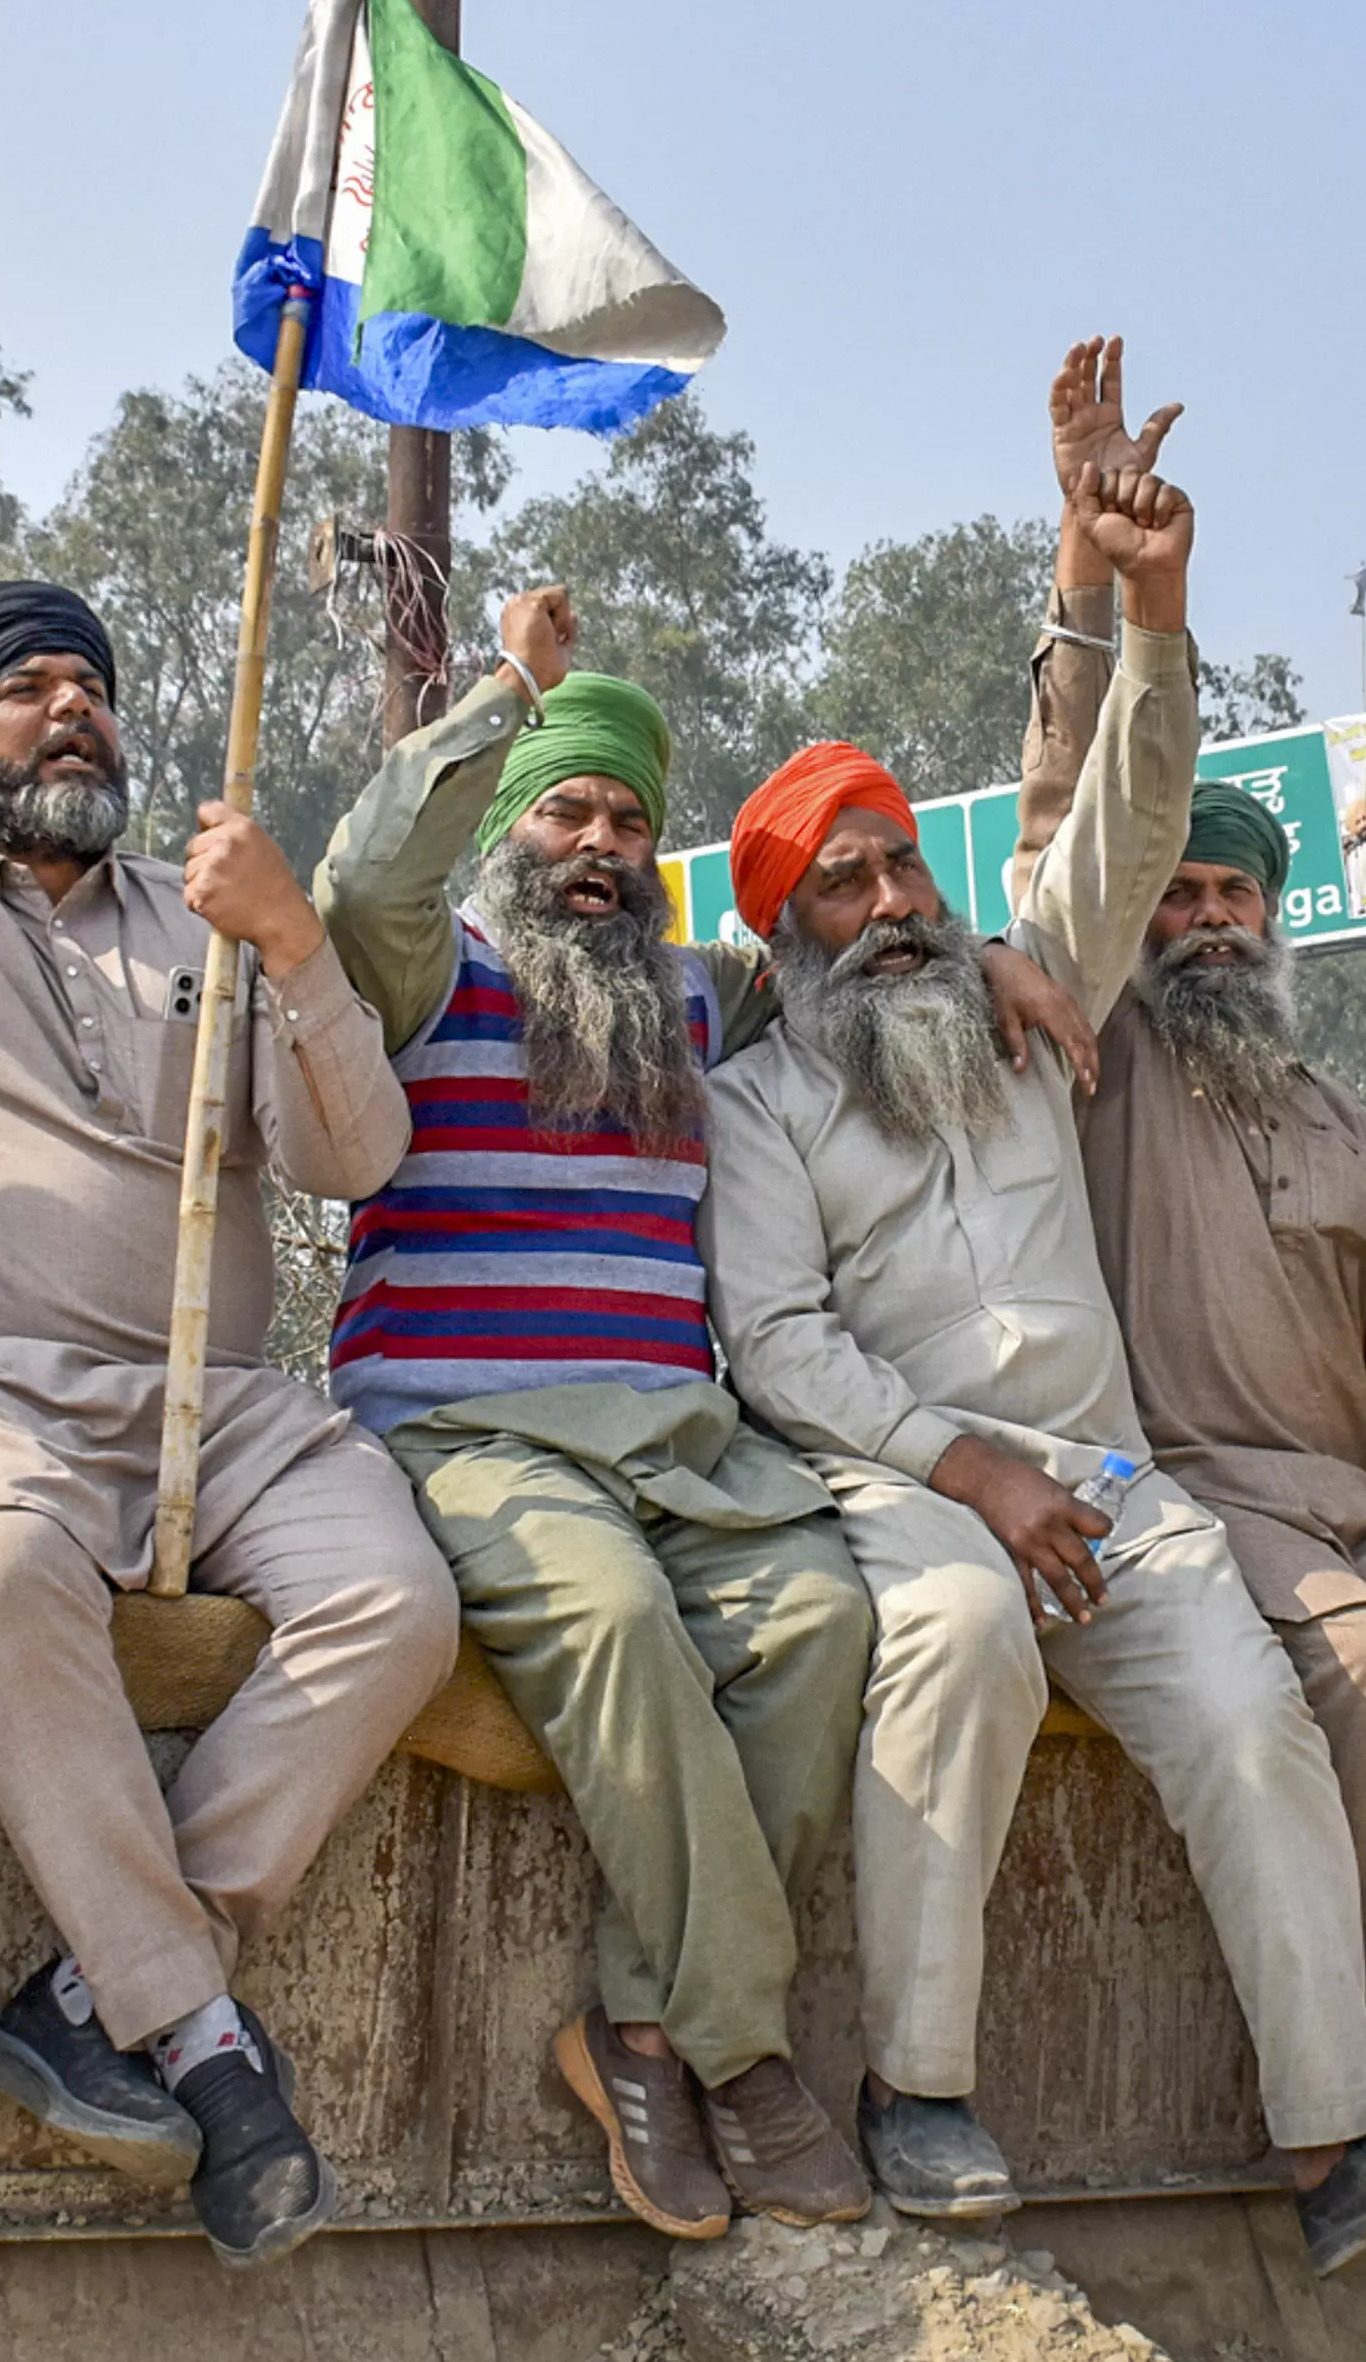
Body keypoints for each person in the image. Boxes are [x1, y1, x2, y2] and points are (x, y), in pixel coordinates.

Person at [700, 348, 1366, 2272]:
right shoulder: (761, 1100)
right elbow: (779, 1346)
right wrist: (965, 1467)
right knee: (967, 1635)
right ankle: (918, 2087)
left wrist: (1146, 603)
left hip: (1114, 1481)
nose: (894, 894)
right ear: (782, 931)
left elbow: (1127, 810)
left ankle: (1341, 2142)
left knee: (1248, 1713)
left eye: (904, 857)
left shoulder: (1024, 1007)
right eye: (845, 882)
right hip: (895, 1488)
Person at [0, 243, 443, 2270]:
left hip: (237, 1421)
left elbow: (356, 1157)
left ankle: (85, 1997)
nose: (77, 706)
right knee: (0, 1565)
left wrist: (293, 950)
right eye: (30, 686)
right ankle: (203, 2036)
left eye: (95, 681)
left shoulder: (210, 915)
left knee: (396, 1605)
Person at [310, 561, 1085, 2242]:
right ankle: (741, 2055)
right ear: (509, 829)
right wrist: (505, 695)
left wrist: (1002, 954)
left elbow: (867, 951)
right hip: (471, 1428)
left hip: (682, 1436)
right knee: (616, 1624)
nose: (596, 843)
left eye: (624, 821)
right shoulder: (423, 969)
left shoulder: (691, 1006)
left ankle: (637, 2026)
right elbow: (365, 865)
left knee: (816, 1617)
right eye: (562, 812)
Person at [1014, 455, 1366, 2243]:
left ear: (1274, 919)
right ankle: (1341, 2112)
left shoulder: (1332, 1106)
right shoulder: (1095, 1064)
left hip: (1356, 1491)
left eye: (1233, 900)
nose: (1206, 922)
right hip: (1189, 1483)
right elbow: (1071, 816)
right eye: (1177, 898)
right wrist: (1089, 567)